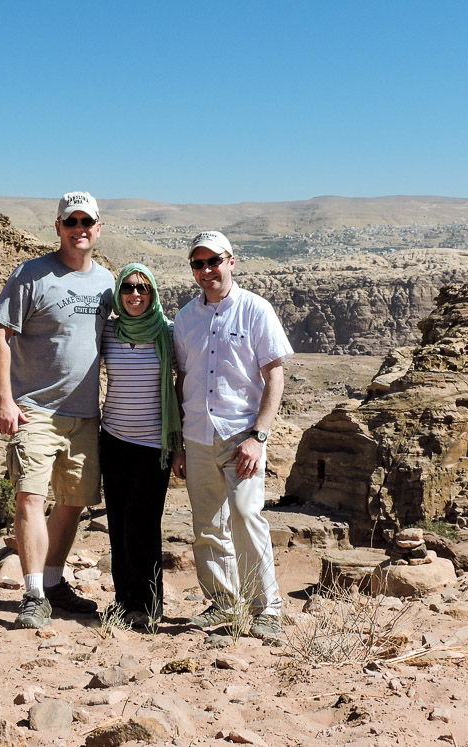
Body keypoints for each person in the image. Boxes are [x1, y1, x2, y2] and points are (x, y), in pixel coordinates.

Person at [0, 191, 114, 629]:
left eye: (86, 222)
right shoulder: (31, 274)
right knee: (30, 496)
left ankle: (54, 583)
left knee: (73, 501)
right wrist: (4, 399)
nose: (79, 229)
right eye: (71, 221)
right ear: (58, 227)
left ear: (98, 228)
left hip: (85, 414)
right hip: (35, 409)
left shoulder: (108, 283)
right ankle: (34, 594)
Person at [170, 230, 293, 643]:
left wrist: (259, 437)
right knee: (207, 525)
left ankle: (266, 608)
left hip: (241, 435)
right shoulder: (185, 318)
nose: (206, 270)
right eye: (198, 264)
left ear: (231, 261)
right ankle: (223, 602)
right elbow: (182, 379)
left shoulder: (256, 310)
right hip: (198, 436)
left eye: (214, 261)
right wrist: (179, 443)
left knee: (245, 515)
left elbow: (274, 376)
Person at [99, 263, 182, 628]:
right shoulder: (109, 331)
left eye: (143, 288)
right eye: (129, 287)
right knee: (117, 524)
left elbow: (185, 381)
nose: (135, 294)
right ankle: (123, 602)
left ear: (153, 294)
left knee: (143, 524)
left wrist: (180, 442)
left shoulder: (168, 332)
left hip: (153, 445)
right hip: (113, 440)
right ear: (119, 292)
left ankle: (148, 606)